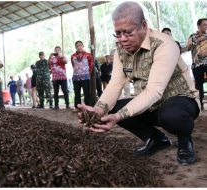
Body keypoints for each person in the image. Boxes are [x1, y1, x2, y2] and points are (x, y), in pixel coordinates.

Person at [78, 1, 200, 165]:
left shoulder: (164, 44)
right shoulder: (121, 50)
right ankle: (156, 139)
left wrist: (118, 117)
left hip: (180, 100)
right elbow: (115, 85)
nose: (122, 39)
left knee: (171, 115)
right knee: (112, 107)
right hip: (151, 105)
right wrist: (98, 110)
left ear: (143, 25)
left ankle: (185, 141)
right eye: (118, 33)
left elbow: (155, 91)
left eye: (128, 33)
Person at [187, 18, 207, 111]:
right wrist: (197, 40)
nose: (206, 26)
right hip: (196, 64)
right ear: (199, 26)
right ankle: (200, 105)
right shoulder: (192, 36)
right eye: (204, 24)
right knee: (199, 85)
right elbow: (188, 48)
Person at [71, 41, 93, 109]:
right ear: (75, 47)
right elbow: (73, 65)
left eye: (80, 45)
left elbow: (91, 65)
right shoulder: (73, 56)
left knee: (87, 93)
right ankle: (77, 107)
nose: (79, 47)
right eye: (77, 46)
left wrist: (87, 73)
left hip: (86, 77)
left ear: (83, 46)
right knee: (77, 93)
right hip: (76, 77)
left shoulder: (88, 55)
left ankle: (87, 107)